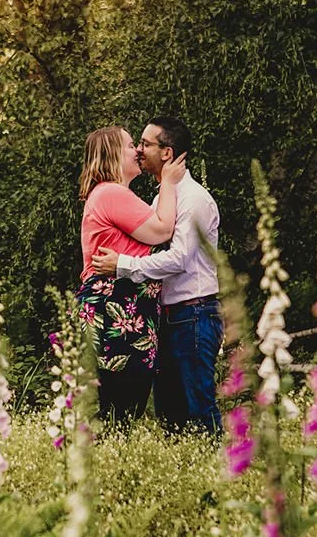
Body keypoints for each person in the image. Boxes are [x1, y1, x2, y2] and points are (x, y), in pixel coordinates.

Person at [92, 116, 223, 434]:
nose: (138, 150)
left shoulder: (193, 200)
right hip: (166, 317)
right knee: (170, 413)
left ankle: (217, 477)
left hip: (193, 314)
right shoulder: (161, 199)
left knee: (198, 406)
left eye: (146, 144)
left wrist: (121, 265)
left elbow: (178, 259)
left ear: (167, 153)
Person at [76, 126, 187, 423]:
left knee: (117, 408)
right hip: (116, 309)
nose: (137, 151)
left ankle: (109, 463)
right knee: (120, 407)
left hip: (125, 308)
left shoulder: (110, 194)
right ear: (112, 154)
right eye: (129, 146)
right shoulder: (111, 193)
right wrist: (168, 182)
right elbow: (163, 230)